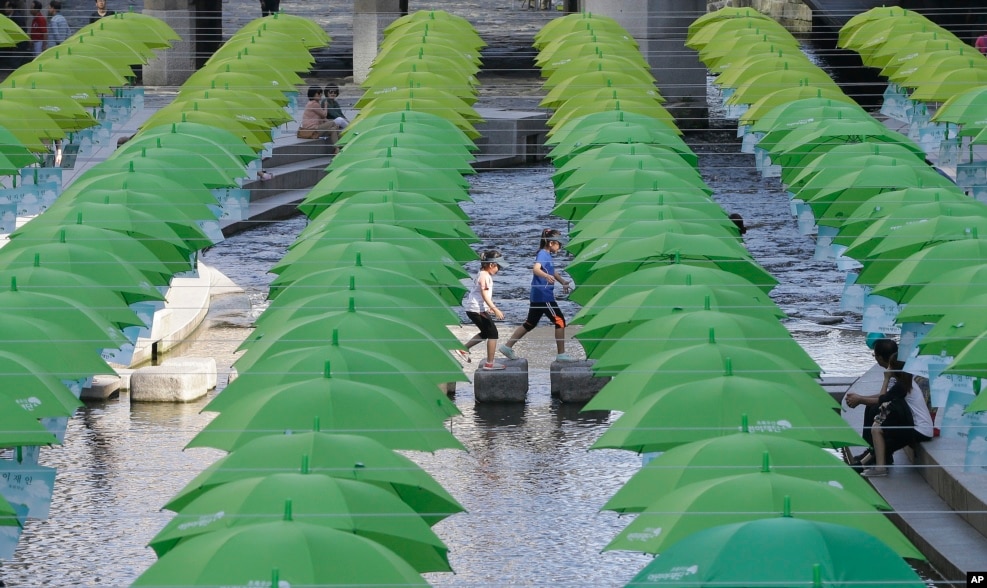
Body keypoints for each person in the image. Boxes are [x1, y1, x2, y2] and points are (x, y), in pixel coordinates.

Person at [845, 338, 934, 477]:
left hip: (918, 429)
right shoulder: (905, 382)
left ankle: (880, 468)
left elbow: (882, 399)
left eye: (890, 367)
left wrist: (885, 380)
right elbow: (886, 398)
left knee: (877, 428)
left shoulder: (902, 385)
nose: (888, 369)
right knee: (887, 440)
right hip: (919, 427)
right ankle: (864, 463)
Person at [498, 228, 579, 362]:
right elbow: (536, 269)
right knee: (560, 321)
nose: (561, 247)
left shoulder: (547, 255)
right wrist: (546, 275)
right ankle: (561, 355)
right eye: (559, 244)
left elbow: (552, 272)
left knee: (530, 323)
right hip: (543, 295)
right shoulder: (543, 254)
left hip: (536, 295)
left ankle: (507, 346)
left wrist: (563, 282)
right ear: (551, 243)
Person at [458, 250, 509, 370]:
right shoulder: (485, 277)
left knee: (486, 333)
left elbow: (479, 295)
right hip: (476, 309)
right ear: (491, 265)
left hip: (474, 308)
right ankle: (490, 363)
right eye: (498, 267)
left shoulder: (482, 274)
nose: (499, 270)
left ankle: (463, 349)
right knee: (493, 334)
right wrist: (495, 309)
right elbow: (484, 295)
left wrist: (487, 308)